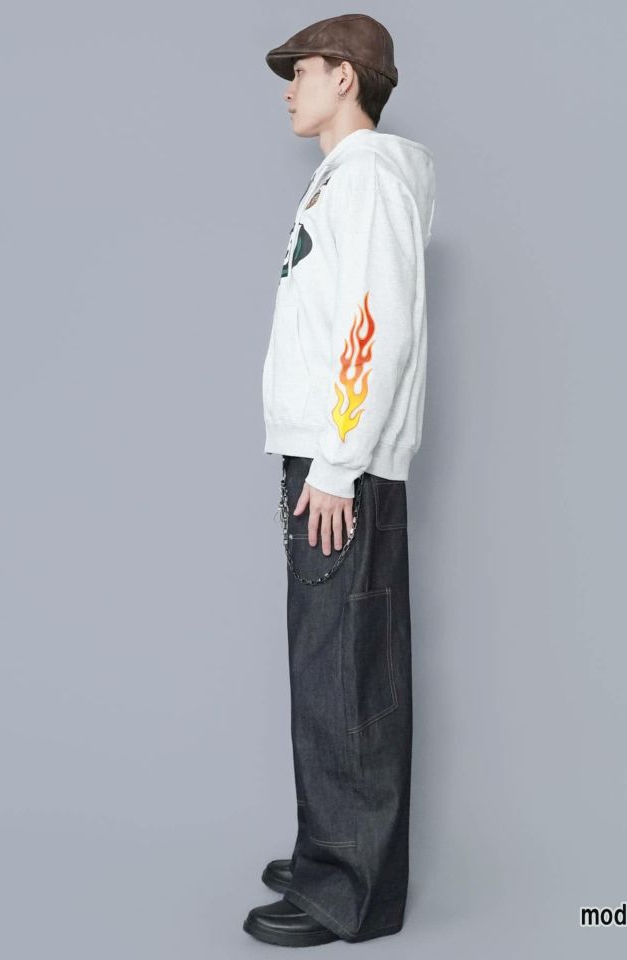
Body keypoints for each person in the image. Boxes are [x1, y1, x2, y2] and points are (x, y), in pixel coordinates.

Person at [242, 13, 436, 947]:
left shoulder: (366, 180)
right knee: (331, 664)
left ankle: (346, 889)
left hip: (338, 466)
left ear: (346, 79)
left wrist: (335, 462)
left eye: (303, 71)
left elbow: (374, 324)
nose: (290, 88)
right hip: (327, 458)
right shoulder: (342, 180)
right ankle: (337, 849)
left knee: (343, 673)